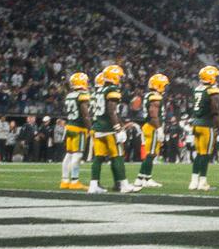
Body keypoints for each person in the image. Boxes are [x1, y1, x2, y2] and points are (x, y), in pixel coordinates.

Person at [88, 64, 140, 194]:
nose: (121, 79)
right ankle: (123, 184)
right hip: (108, 129)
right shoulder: (112, 90)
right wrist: (118, 128)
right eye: (119, 76)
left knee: (98, 158)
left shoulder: (98, 91)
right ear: (114, 76)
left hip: (97, 128)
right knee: (117, 156)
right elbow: (112, 111)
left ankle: (93, 185)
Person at [190, 65, 219, 191]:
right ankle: (202, 181)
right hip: (206, 125)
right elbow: (215, 111)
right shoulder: (212, 91)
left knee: (199, 154)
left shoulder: (198, 89)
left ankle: (193, 181)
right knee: (205, 155)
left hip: (196, 124)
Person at [135, 73, 169, 189]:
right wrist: (159, 128)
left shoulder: (150, 95)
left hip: (149, 126)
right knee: (151, 154)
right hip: (152, 126)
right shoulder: (155, 96)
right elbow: (153, 113)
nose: (165, 87)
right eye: (163, 85)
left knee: (151, 154)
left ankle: (141, 178)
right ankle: (146, 178)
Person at [60, 72, 91, 190]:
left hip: (69, 127)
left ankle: (64, 180)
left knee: (69, 154)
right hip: (79, 128)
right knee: (77, 155)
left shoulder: (70, 95)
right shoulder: (82, 95)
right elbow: (85, 115)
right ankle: (74, 181)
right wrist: (90, 128)